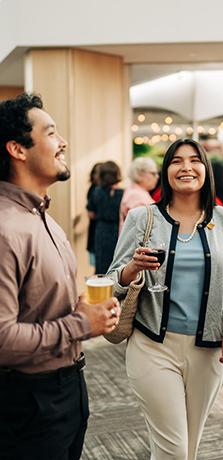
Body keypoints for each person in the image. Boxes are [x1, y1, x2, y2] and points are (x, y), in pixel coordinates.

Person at [108, 138, 223, 460]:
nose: (186, 167)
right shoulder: (142, 218)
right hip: (153, 348)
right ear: (166, 170)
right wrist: (132, 268)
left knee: (188, 448)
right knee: (173, 451)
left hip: (209, 352)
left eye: (194, 160)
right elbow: (110, 282)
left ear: (206, 169)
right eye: (176, 160)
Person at [0, 93, 121, 460]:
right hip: (25, 403)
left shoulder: (44, 218)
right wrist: (79, 324)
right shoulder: (5, 229)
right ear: (18, 150)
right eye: (51, 133)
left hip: (68, 390)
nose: (63, 142)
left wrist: (82, 311)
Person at [87, 160, 123, 274]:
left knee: (101, 264)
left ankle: (101, 288)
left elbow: (91, 213)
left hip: (101, 229)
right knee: (117, 262)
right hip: (118, 229)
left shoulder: (96, 191)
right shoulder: (123, 193)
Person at [119, 156, 159, 234]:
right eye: (153, 173)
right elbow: (142, 229)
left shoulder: (136, 191)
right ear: (140, 174)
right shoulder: (136, 196)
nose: (157, 177)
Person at [86, 162, 102, 267]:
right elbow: (91, 214)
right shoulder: (94, 189)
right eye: (95, 173)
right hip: (96, 226)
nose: (96, 176)